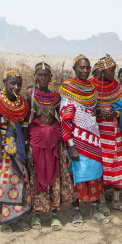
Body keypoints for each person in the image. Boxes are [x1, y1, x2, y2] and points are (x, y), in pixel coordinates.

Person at [59, 55, 107, 225]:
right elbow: (65, 118)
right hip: (77, 139)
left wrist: (100, 112)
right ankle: (77, 212)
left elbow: (91, 111)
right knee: (77, 175)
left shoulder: (92, 89)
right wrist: (70, 145)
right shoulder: (67, 88)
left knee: (94, 173)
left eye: (87, 68)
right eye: (81, 68)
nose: (85, 71)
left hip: (93, 138)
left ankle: (95, 208)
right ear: (74, 69)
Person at [0, 68, 31, 232]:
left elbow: (25, 126)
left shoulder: (23, 103)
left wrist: (25, 145)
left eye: (19, 84)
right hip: (1, 152)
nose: (16, 87)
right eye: (12, 83)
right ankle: (5, 219)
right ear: (5, 83)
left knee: (20, 181)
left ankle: (20, 217)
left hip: (18, 150)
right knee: (4, 184)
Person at [27, 61, 73, 230]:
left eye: (46, 75)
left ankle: (54, 214)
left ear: (51, 77)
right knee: (36, 176)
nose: (43, 78)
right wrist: (28, 149)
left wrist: (68, 146)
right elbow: (27, 123)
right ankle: (36, 216)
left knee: (55, 176)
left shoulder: (56, 97)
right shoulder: (30, 96)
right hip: (36, 141)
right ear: (36, 76)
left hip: (55, 141)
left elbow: (62, 120)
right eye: (40, 75)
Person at [91, 55, 122, 214]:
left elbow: (121, 110)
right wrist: (98, 112)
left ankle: (116, 200)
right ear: (101, 71)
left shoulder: (116, 87)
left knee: (115, 164)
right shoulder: (90, 87)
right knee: (101, 165)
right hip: (97, 132)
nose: (113, 73)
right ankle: (101, 202)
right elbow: (86, 108)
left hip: (113, 132)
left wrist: (114, 114)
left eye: (114, 70)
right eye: (111, 71)